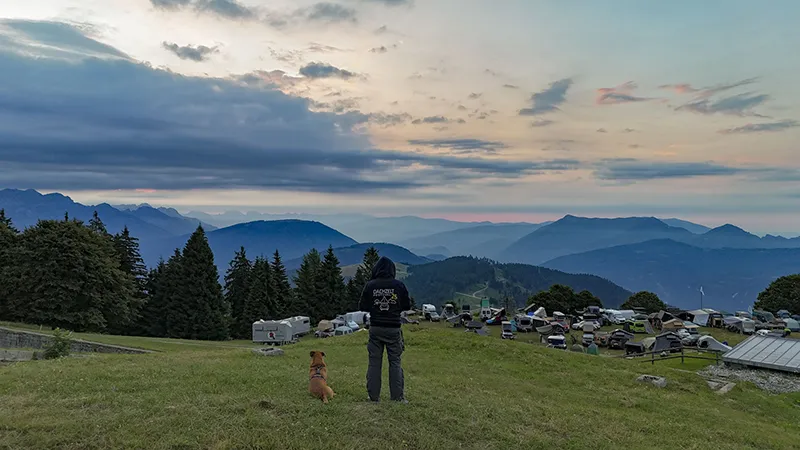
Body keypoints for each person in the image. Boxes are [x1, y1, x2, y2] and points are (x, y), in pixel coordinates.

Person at [358, 256, 411, 403]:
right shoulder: (399, 285)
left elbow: (362, 306)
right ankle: (397, 397)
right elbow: (407, 306)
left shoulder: (370, 285)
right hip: (394, 328)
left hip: (375, 328)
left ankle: (373, 397)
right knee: (395, 362)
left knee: (374, 362)